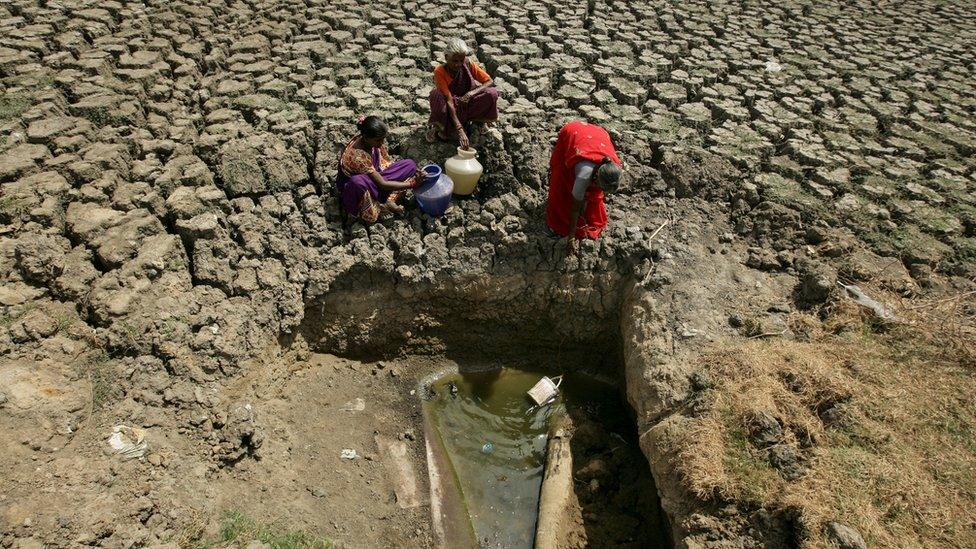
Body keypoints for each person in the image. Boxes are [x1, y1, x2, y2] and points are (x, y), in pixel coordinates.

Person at [545, 121, 623, 254]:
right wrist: (571, 238)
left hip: (597, 136)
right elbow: (575, 209)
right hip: (572, 132)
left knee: (590, 196)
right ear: (596, 179)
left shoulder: (614, 168)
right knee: (561, 185)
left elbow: (595, 191)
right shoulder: (583, 176)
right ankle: (555, 222)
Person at [336, 116, 419, 223]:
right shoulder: (357, 156)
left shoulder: (367, 140)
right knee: (357, 182)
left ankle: (384, 198)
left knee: (410, 165)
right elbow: (382, 183)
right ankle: (381, 203)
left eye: (383, 139)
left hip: (374, 177)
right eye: (378, 140)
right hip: (359, 188)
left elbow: (380, 170)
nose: (381, 143)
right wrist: (412, 184)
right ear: (366, 137)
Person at [427, 38, 499, 150]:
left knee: (492, 93)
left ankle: (477, 122)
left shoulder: (468, 63)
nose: (459, 64)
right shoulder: (440, 71)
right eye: (455, 61)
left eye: (461, 60)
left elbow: (489, 81)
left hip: (467, 103)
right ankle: (442, 128)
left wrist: (471, 93)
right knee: (436, 95)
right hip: (451, 108)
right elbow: (449, 100)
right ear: (446, 58)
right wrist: (459, 129)